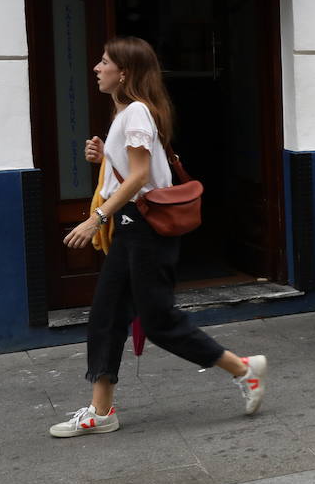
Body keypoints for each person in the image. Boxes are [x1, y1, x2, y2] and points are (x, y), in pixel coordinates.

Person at [50, 37, 266, 438]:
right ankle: (101, 411)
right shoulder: (128, 112)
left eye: (104, 62)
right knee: (106, 316)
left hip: (145, 228)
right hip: (132, 226)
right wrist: (105, 155)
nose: (97, 68)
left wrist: (96, 218)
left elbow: (139, 177)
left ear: (124, 72)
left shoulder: (135, 112)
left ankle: (242, 369)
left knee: (158, 320)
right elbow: (134, 170)